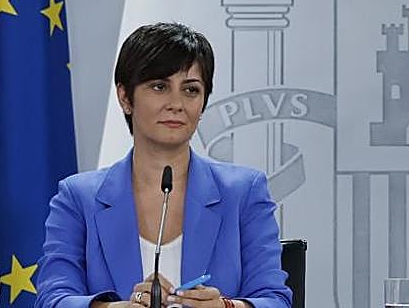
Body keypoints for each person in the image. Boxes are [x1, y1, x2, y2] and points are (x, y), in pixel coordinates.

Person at [36, 22, 291, 308]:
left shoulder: (244, 192)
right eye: (159, 87)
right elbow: (52, 300)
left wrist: (225, 307)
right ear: (125, 97)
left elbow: (275, 300)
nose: (176, 103)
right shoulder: (78, 197)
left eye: (191, 90)